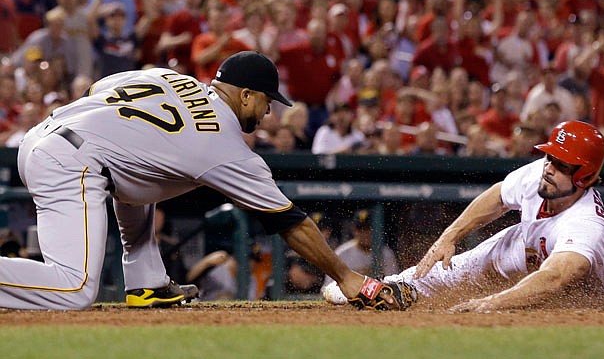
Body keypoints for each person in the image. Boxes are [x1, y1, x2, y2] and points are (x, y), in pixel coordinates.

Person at [3, 50, 408, 310]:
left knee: (140, 171)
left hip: (48, 136)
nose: (268, 113)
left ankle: (146, 283)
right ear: (246, 95)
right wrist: (347, 277)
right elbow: (290, 221)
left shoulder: (169, 76)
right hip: (70, 163)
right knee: (74, 290)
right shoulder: (225, 144)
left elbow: (97, 88)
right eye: (267, 101)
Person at [324, 121, 604, 311]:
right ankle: (392, 289)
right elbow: (497, 196)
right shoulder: (540, 174)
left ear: (584, 177)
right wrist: (449, 237)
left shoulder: (587, 227)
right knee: (461, 266)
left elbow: (556, 277)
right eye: (550, 158)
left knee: (547, 304)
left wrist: (493, 302)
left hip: (587, 290)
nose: (549, 168)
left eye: (563, 166)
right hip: (530, 243)